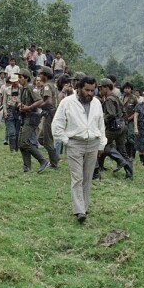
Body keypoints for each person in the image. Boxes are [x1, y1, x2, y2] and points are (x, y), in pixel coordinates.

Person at [52, 75, 105, 223]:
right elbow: (57, 124)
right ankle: (79, 210)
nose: (90, 93)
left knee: (87, 177)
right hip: (75, 143)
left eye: (92, 91)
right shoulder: (67, 102)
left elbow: (101, 124)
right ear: (79, 88)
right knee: (77, 177)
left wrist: (101, 143)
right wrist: (65, 140)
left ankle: (84, 207)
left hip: (93, 142)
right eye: (87, 90)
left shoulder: (96, 103)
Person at [97, 78, 133, 180]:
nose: (100, 90)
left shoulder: (109, 99)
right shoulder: (116, 97)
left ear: (106, 88)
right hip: (121, 125)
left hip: (114, 127)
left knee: (103, 144)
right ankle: (129, 173)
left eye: (101, 88)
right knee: (122, 150)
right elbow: (123, 112)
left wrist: (101, 120)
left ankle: (120, 161)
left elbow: (111, 114)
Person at [17, 69, 50, 172]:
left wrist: (28, 107)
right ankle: (26, 166)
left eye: (20, 77)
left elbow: (40, 100)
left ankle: (43, 161)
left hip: (31, 117)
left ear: (26, 78)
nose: (19, 79)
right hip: (25, 117)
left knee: (24, 142)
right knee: (21, 142)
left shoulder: (31, 87)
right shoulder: (23, 88)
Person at [36, 67, 61, 172]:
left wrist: (38, 105)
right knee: (41, 138)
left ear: (45, 75)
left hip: (49, 113)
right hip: (52, 113)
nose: (39, 76)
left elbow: (49, 101)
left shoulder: (47, 85)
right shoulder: (52, 85)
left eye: (41, 74)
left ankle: (54, 162)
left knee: (47, 140)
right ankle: (55, 156)